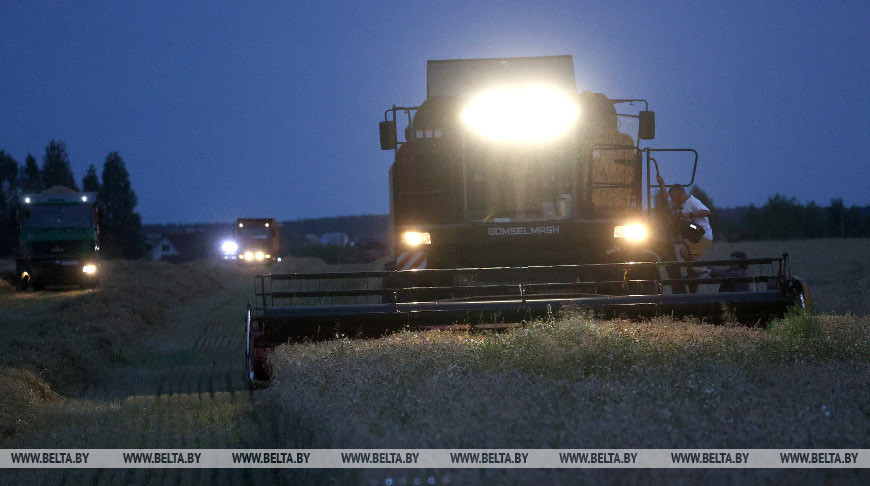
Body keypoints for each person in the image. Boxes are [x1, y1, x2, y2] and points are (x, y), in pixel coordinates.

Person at [656, 173, 713, 267]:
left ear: (682, 194)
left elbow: (707, 212)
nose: (673, 200)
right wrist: (662, 183)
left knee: (683, 252)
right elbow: (666, 198)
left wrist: (690, 215)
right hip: (692, 236)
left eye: (675, 197)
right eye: (672, 197)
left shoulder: (693, 202)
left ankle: (705, 270)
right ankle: (695, 276)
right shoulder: (674, 201)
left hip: (703, 236)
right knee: (691, 260)